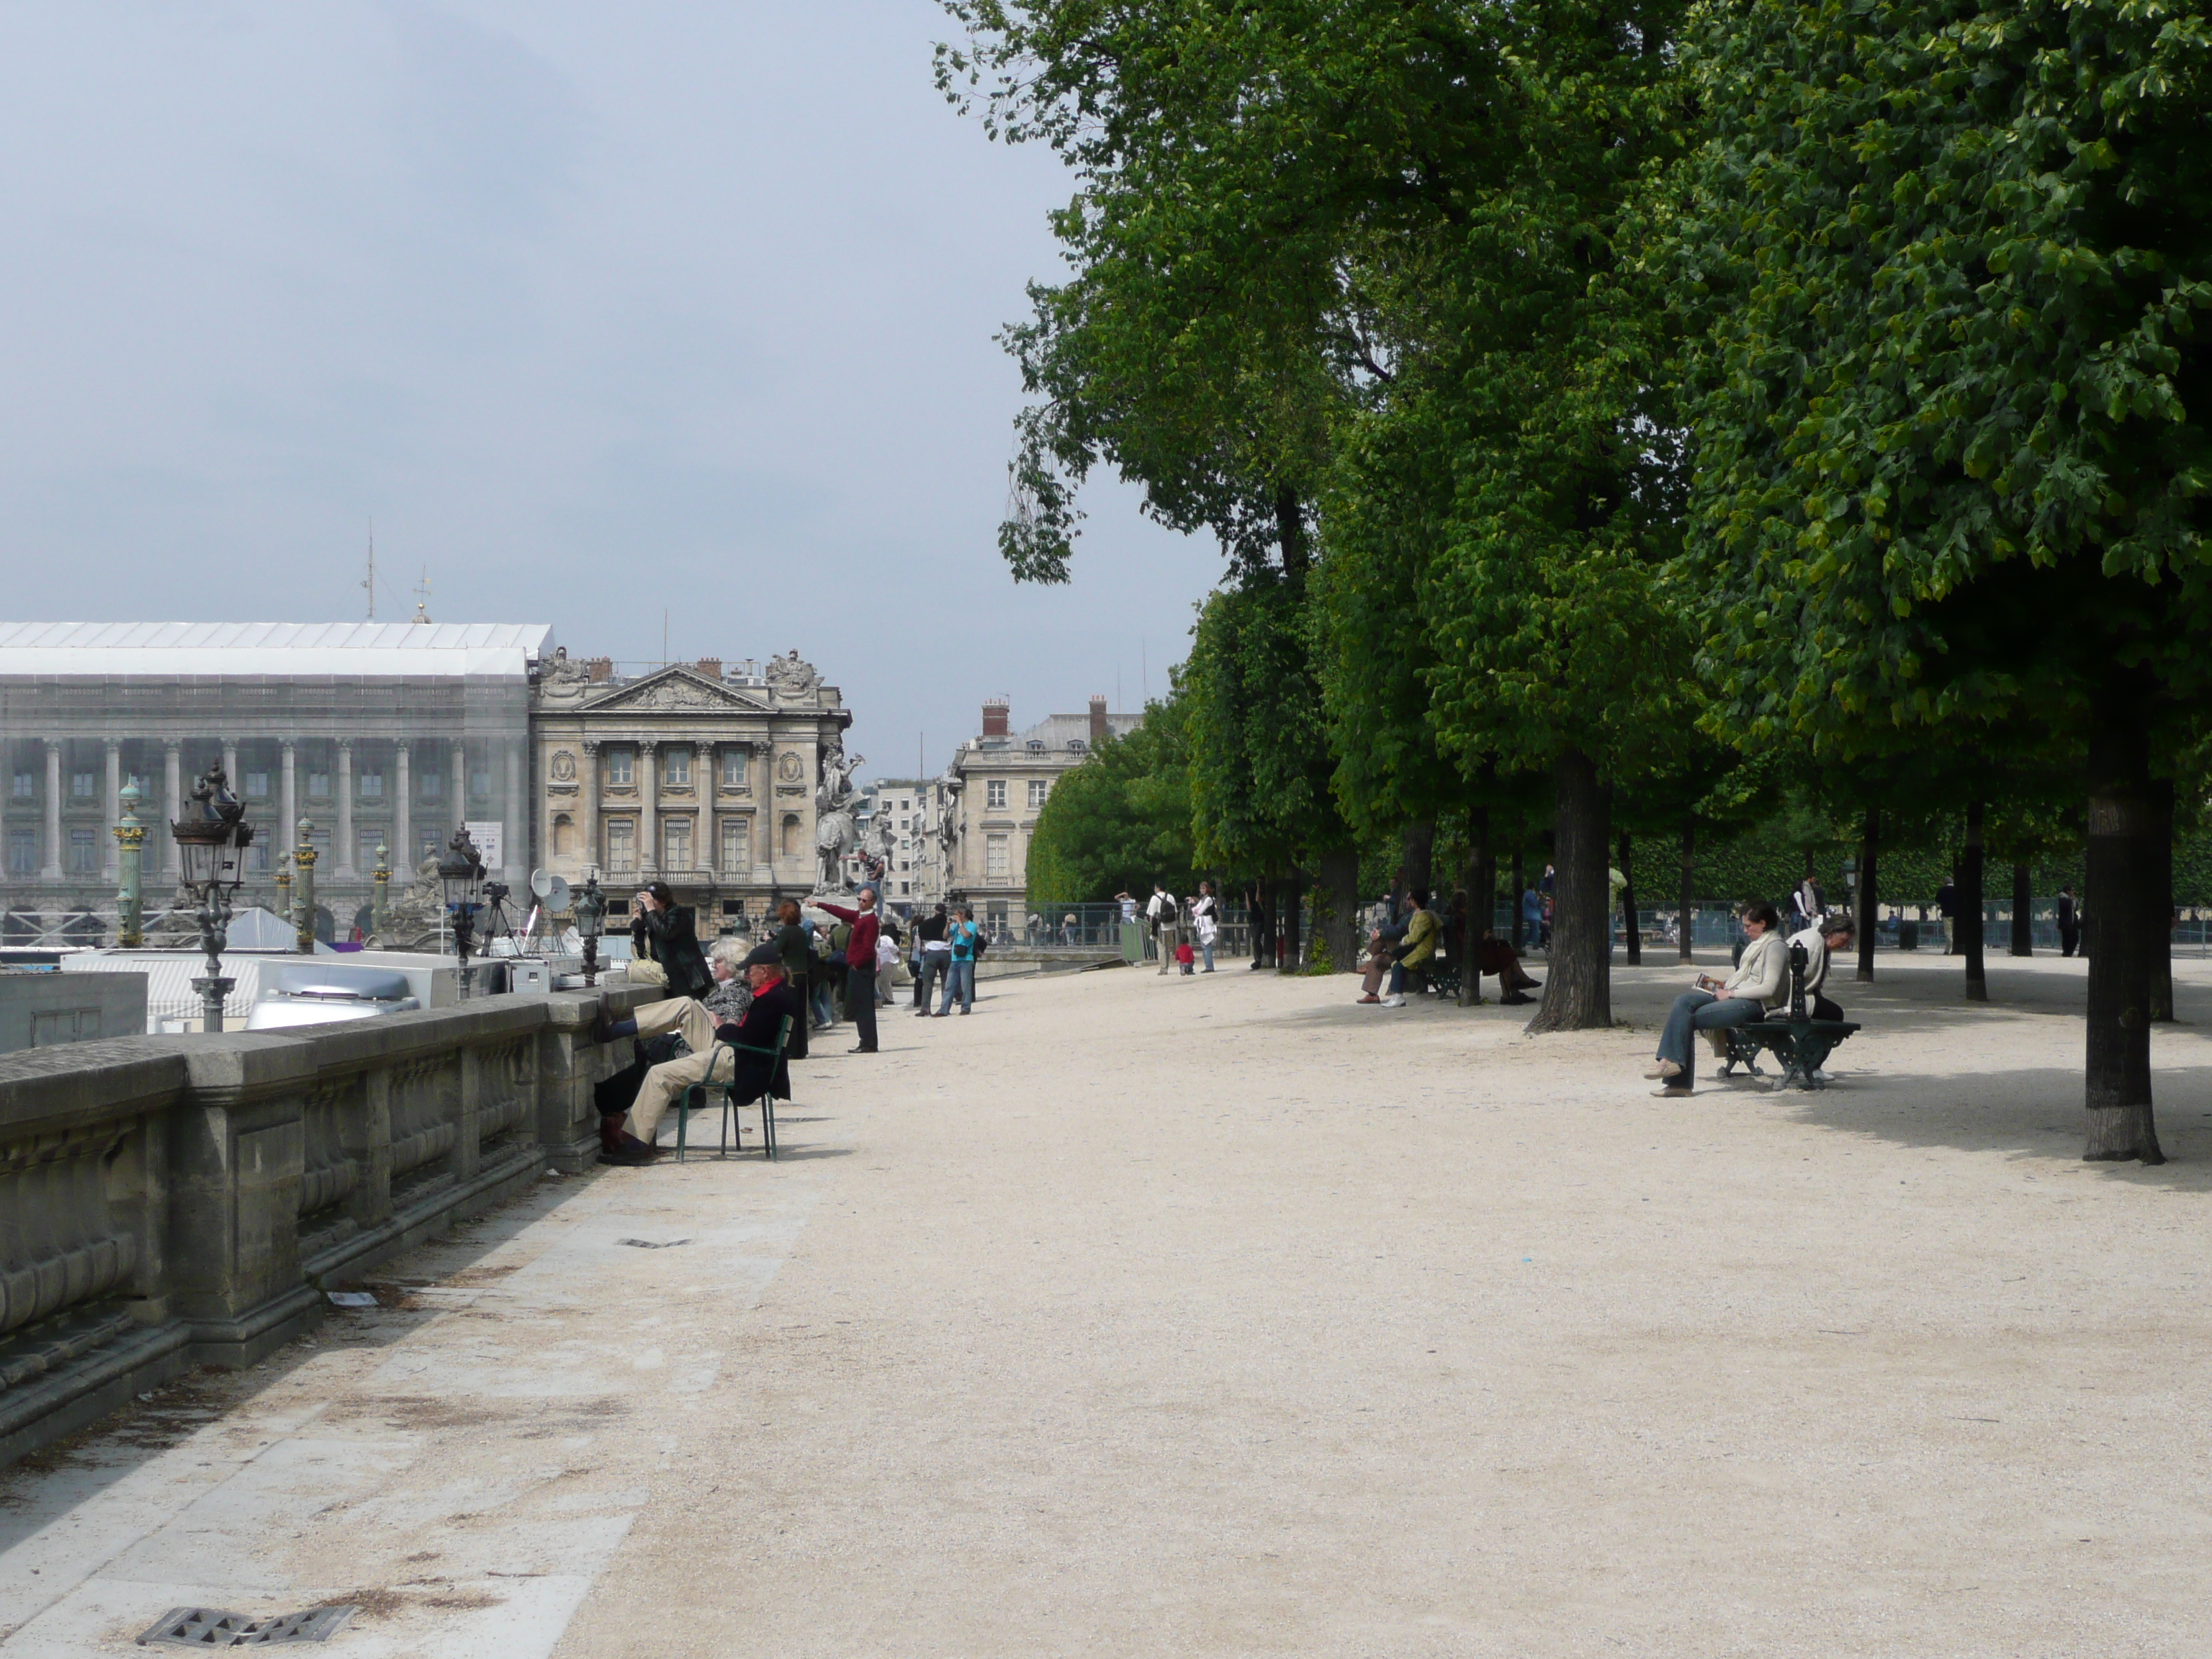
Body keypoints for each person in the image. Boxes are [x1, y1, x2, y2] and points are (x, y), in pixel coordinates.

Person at [595, 940, 789, 1164]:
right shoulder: (774, 993)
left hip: (738, 1062)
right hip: (738, 1055)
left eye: (750, 970)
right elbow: (750, 1036)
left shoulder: (771, 1001)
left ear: (764, 971)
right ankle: (615, 1031)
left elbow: (743, 1038)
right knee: (687, 1005)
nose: (746, 975)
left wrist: (721, 1027)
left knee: (660, 1074)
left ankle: (636, 1145)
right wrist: (724, 1027)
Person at [1646, 902, 1789, 1098]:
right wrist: (1725, 985)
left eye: (1748, 926)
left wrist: (1731, 994)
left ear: (1763, 923)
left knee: (1686, 1020)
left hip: (1756, 1006)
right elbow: (1749, 978)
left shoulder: (1775, 947)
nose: (1745, 931)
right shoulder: (1759, 945)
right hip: (1738, 995)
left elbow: (1769, 988)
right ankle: (1671, 1066)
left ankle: (1676, 1078)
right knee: (1684, 1001)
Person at [811, 889, 882, 1053]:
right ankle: (866, 1041)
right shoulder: (860, 916)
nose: (860, 902)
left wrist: (856, 964)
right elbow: (840, 911)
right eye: (859, 899)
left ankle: (868, 1043)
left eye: (864, 900)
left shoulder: (870, 920)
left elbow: (868, 947)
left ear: (872, 902)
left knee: (864, 1006)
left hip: (862, 967)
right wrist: (820, 904)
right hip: (858, 965)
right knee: (860, 1004)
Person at [629, 882, 711, 999]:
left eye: (650, 901)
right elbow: (641, 953)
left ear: (663, 902)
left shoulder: (678, 914)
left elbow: (666, 933)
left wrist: (651, 911)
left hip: (689, 982)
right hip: (669, 980)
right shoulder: (653, 918)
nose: (647, 905)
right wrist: (638, 926)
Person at [1785, 911, 1856, 1022]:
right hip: (1790, 1000)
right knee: (1835, 1013)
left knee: (1830, 1011)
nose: (1845, 946)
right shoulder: (1811, 945)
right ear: (1831, 933)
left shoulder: (1819, 940)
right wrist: (1789, 1008)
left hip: (1797, 997)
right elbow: (1789, 978)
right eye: (1844, 940)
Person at [764, 899, 811, 1060]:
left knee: (789, 1014)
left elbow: (777, 951)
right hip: (803, 974)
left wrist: (769, 941)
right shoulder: (801, 931)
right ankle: (800, 1049)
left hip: (790, 976)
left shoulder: (786, 932)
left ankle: (790, 1048)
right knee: (800, 1013)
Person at [1358, 896, 1416, 1004]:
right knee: (1377, 959)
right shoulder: (1407, 915)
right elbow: (1394, 928)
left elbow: (1398, 932)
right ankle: (1372, 995)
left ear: (1415, 901)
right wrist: (1380, 930)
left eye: (1409, 899)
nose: (1406, 901)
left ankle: (1369, 962)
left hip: (1407, 950)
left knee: (1381, 939)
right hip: (1401, 948)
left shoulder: (1414, 916)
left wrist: (1381, 933)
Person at [936, 906, 979, 1015]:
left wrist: (960, 923)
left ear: (962, 915)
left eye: (956, 914)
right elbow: (945, 936)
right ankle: (944, 1010)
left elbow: (966, 935)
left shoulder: (972, 926)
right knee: (949, 986)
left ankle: (965, 1008)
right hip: (955, 959)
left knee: (965, 986)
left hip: (966, 959)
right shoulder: (956, 927)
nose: (955, 916)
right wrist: (948, 925)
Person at [913, 903, 950, 1013]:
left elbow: (920, 936)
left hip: (931, 953)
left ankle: (925, 1008)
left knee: (928, 983)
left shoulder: (926, 924)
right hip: (946, 953)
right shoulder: (949, 924)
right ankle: (944, 1008)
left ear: (935, 911)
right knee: (945, 982)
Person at [1146, 884, 1179, 974]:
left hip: (1160, 926)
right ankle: (1168, 965)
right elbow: (1176, 913)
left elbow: (1151, 915)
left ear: (1157, 888)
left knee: (1161, 946)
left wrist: (1152, 927)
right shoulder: (1171, 897)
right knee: (1169, 946)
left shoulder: (1154, 898)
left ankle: (1164, 968)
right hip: (1171, 925)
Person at [1189, 881, 1220, 973]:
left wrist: (1196, 911)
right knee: (1205, 945)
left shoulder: (1209, 899)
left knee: (1207, 944)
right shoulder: (1203, 899)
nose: (1202, 890)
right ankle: (1208, 965)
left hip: (1207, 923)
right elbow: (1196, 909)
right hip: (1202, 923)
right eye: (1201, 888)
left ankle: (1209, 966)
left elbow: (1200, 911)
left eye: (1204, 888)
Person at [1936, 874, 1959, 953]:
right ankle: (1956, 948)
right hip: (1956, 913)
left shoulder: (1942, 890)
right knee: (1956, 931)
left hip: (1946, 914)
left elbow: (1937, 900)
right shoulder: (1957, 890)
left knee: (1948, 932)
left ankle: (1948, 949)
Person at [2057, 886, 2080, 957]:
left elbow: (2075, 909)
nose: (2073, 893)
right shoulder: (2063, 899)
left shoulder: (2070, 899)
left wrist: (2074, 900)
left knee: (2075, 938)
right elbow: (2066, 909)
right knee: (2067, 938)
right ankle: (2067, 953)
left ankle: (2068, 952)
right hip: (2066, 922)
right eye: (2072, 891)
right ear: (2068, 891)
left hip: (2072, 922)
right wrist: (2071, 900)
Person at [1521, 885, 1545, 953]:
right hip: (1533, 917)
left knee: (1532, 932)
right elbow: (1535, 903)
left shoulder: (1528, 894)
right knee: (1536, 932)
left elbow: (1538, 904)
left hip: (1534, 916)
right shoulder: (1529, 894)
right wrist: (1538, 897)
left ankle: (1523, 943)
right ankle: (1535, 945)